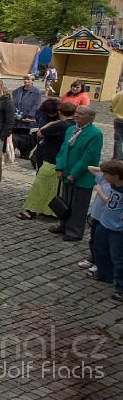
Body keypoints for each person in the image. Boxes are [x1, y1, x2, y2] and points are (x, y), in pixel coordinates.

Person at [51, 105, 102, 241]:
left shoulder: (95, 134)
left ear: (89, 118)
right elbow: (63, 149)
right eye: (76, 113)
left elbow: (89, 156)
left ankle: (74, 231)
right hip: (67, 171)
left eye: (80, 114)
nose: (76, 116)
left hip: (82, 175)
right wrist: (60, 167)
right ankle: (64, 225)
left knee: (79, 204)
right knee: (65, 201)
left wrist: (75, 173)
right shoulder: (71, 129)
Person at [91, 161, 123, 302]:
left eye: (106, 174)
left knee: (117, 257)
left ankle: (120, 288)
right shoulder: (113, 183)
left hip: (117, 228)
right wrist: (105, 168)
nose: (103, 177)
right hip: (104, 222)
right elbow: (91, 169)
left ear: (116, 176)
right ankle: (104, 274)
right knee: (100, 249)